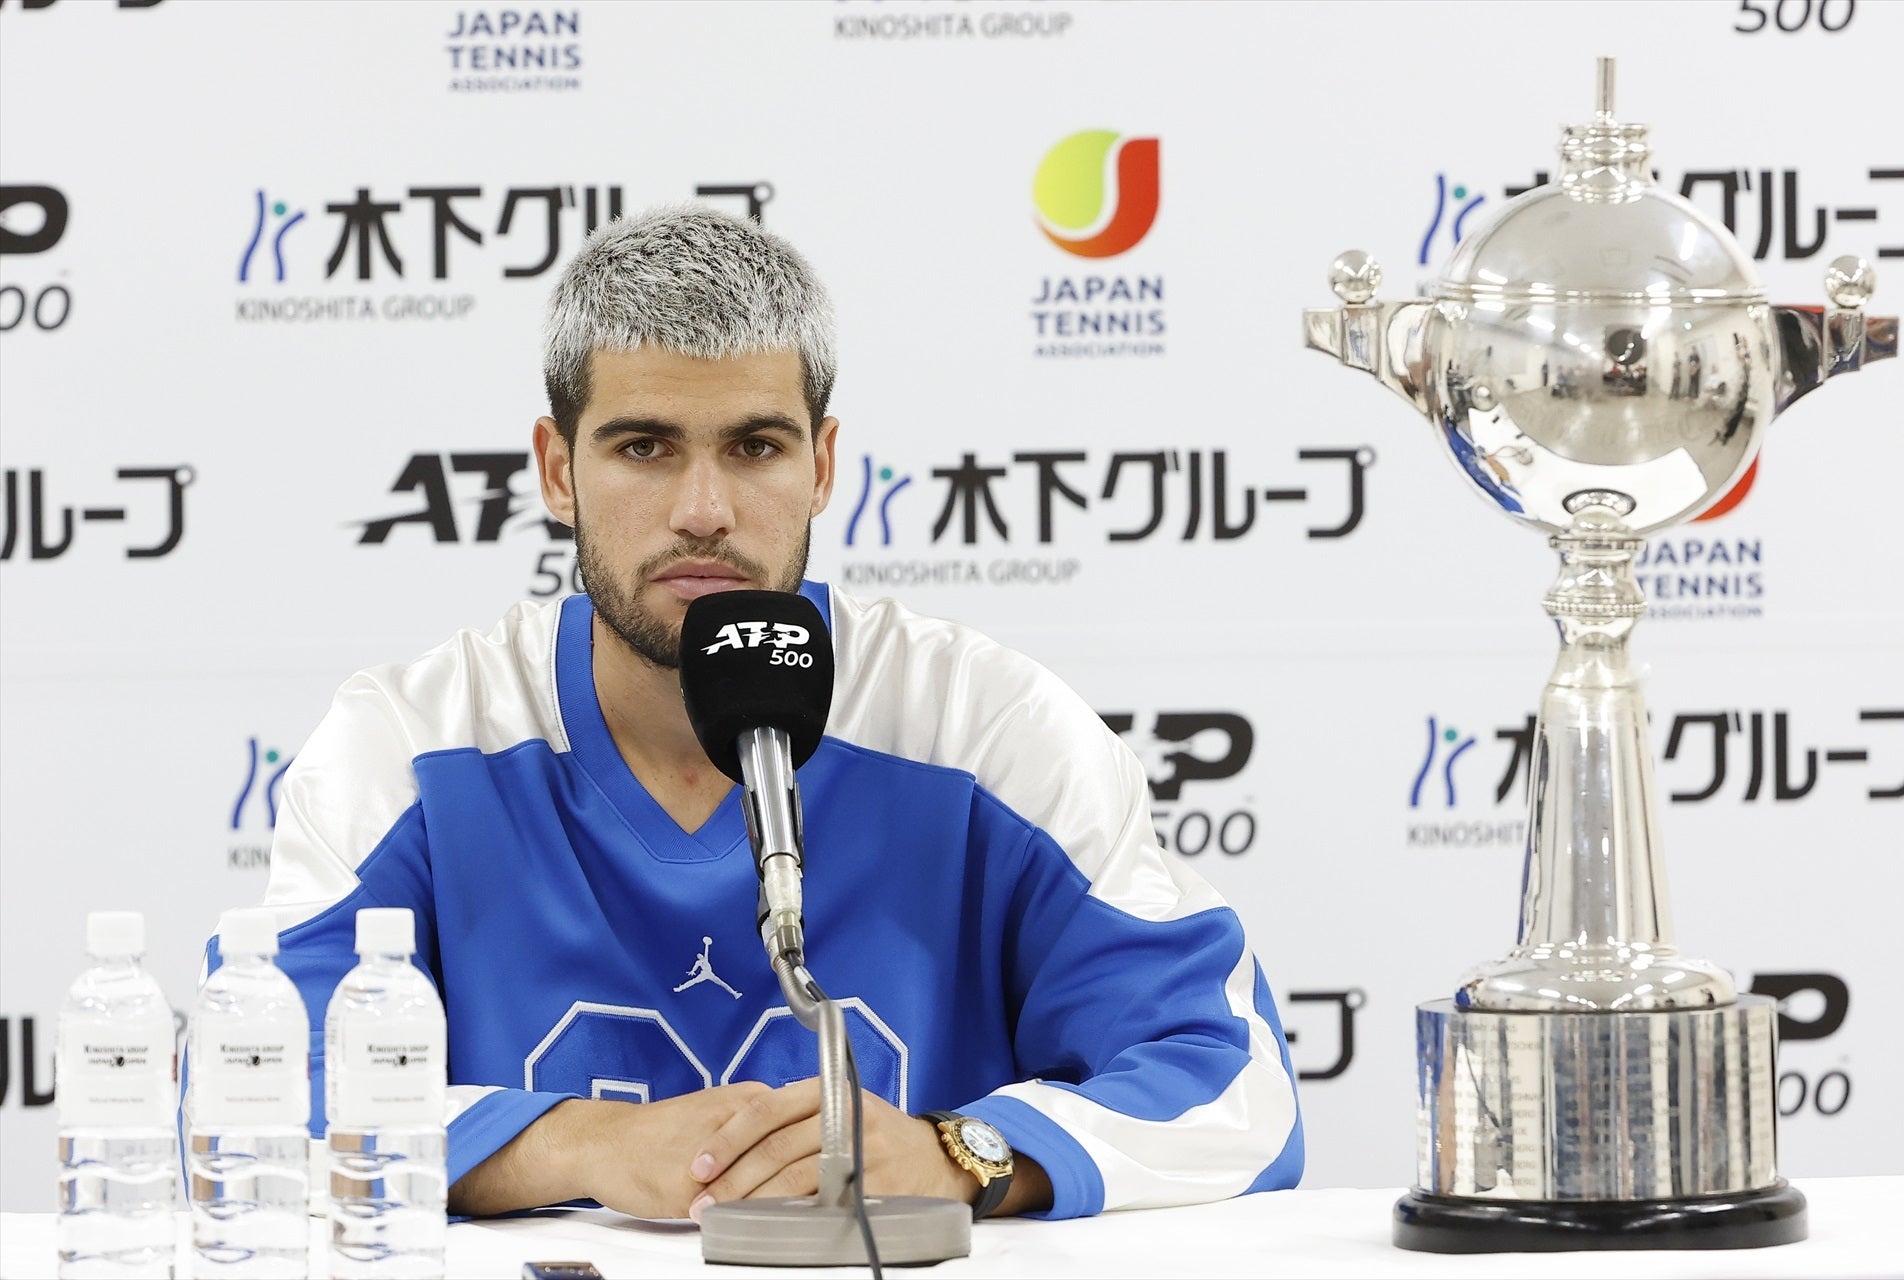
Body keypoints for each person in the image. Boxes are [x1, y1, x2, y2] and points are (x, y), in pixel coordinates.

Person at [223, 205, 1305, 1222]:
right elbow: (248, 1093)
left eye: (756, 447)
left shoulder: (987, 730)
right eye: (644, 446)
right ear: (557, 470)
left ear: (824, 464)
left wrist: (960, 1153)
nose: (705, 511)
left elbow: (1233, 1081)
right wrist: (584, 1145)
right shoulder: (410, 744)